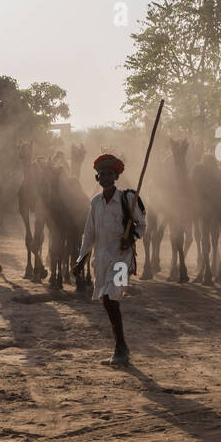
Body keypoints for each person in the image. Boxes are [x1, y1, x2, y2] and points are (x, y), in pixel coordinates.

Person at [74, 153, 146, 367]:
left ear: (116, 176)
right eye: (101, 174)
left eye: (109, 173)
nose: (105, 177)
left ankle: (121, 348)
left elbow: (141, 225)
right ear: (97, 178)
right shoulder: (95, 202)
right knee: (107, 301)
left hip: (122, 259)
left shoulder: (128, 199)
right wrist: (81, 259)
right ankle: (121, 347)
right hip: (102, 259)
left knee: (112, 299)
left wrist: (131, 238)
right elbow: (89, 233)